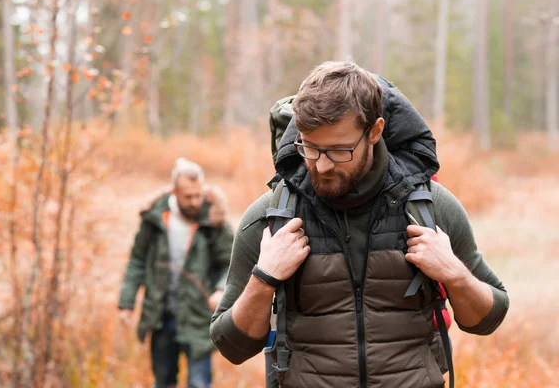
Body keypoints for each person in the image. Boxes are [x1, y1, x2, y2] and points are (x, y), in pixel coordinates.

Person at [210, 61, 509, 387]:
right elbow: (232, 347)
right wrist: (263, 279)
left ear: (375, 131)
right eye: (310, 147)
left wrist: (454, 274)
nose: (321, 166)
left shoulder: (432, 207)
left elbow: (487, 320)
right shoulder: (271, 217)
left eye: (339, 150)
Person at [119, 157, 234, 388]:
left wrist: (222, 289)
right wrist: (126, 303)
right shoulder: (155, 219)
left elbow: (231, 263)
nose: (194, 202)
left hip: (199, 317)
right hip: (161, 317)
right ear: (174, 193)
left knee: (199, 383)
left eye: (198, 195)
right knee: (163, 382)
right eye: (188, 197)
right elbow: (137, 261)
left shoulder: (214, 221)